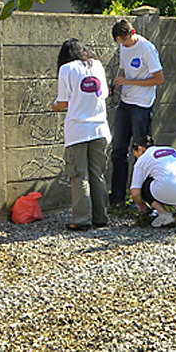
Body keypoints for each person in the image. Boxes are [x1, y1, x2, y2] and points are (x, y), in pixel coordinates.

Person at [52, 38, 111, 230]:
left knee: (79, 176)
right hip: (100, 128)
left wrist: (54, 106)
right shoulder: (97, 65)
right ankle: (101, 218)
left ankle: (82, 220)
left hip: (77, 130)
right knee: (97, 174)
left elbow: (63, 102)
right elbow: (104, 94)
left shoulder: (66, 69)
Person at [110, 19, 163, 206]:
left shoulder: (147, 48)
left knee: (142, 152)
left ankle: (144, 198)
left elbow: (159, 79)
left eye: (125, 41)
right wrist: (119, 83)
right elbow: (128, 73)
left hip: (142, 105)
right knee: (118, 149)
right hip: (126, 102)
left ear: (132, 33)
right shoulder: (124, 47)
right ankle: (117, 197)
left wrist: (129, 82)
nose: (124, 46)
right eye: (120, 43)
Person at [129, 136, 176, 228]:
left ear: (140, 149)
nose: (137, 157)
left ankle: (164, 215)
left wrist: (141, 205)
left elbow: (135, 192)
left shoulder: (142, 159)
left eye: (135, 154)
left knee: (145, 184)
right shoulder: (171, 149)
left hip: (169, 189)